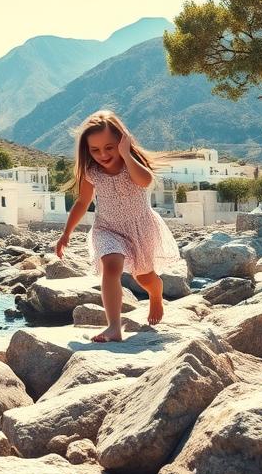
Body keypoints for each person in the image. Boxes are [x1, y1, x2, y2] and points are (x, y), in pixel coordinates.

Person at [55, 110, 180, 341]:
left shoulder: (132, 164)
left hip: (139, 228)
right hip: (107, 229)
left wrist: (126, 154)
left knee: (143, 278)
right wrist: (66, 233)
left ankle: (156, 292)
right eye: (95, 150)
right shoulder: (91, 172)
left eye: (109, 147)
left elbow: (145, 181)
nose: (102, 154)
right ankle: (113, 326)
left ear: (122, 141)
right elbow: (82, 202)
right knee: (111, 268)